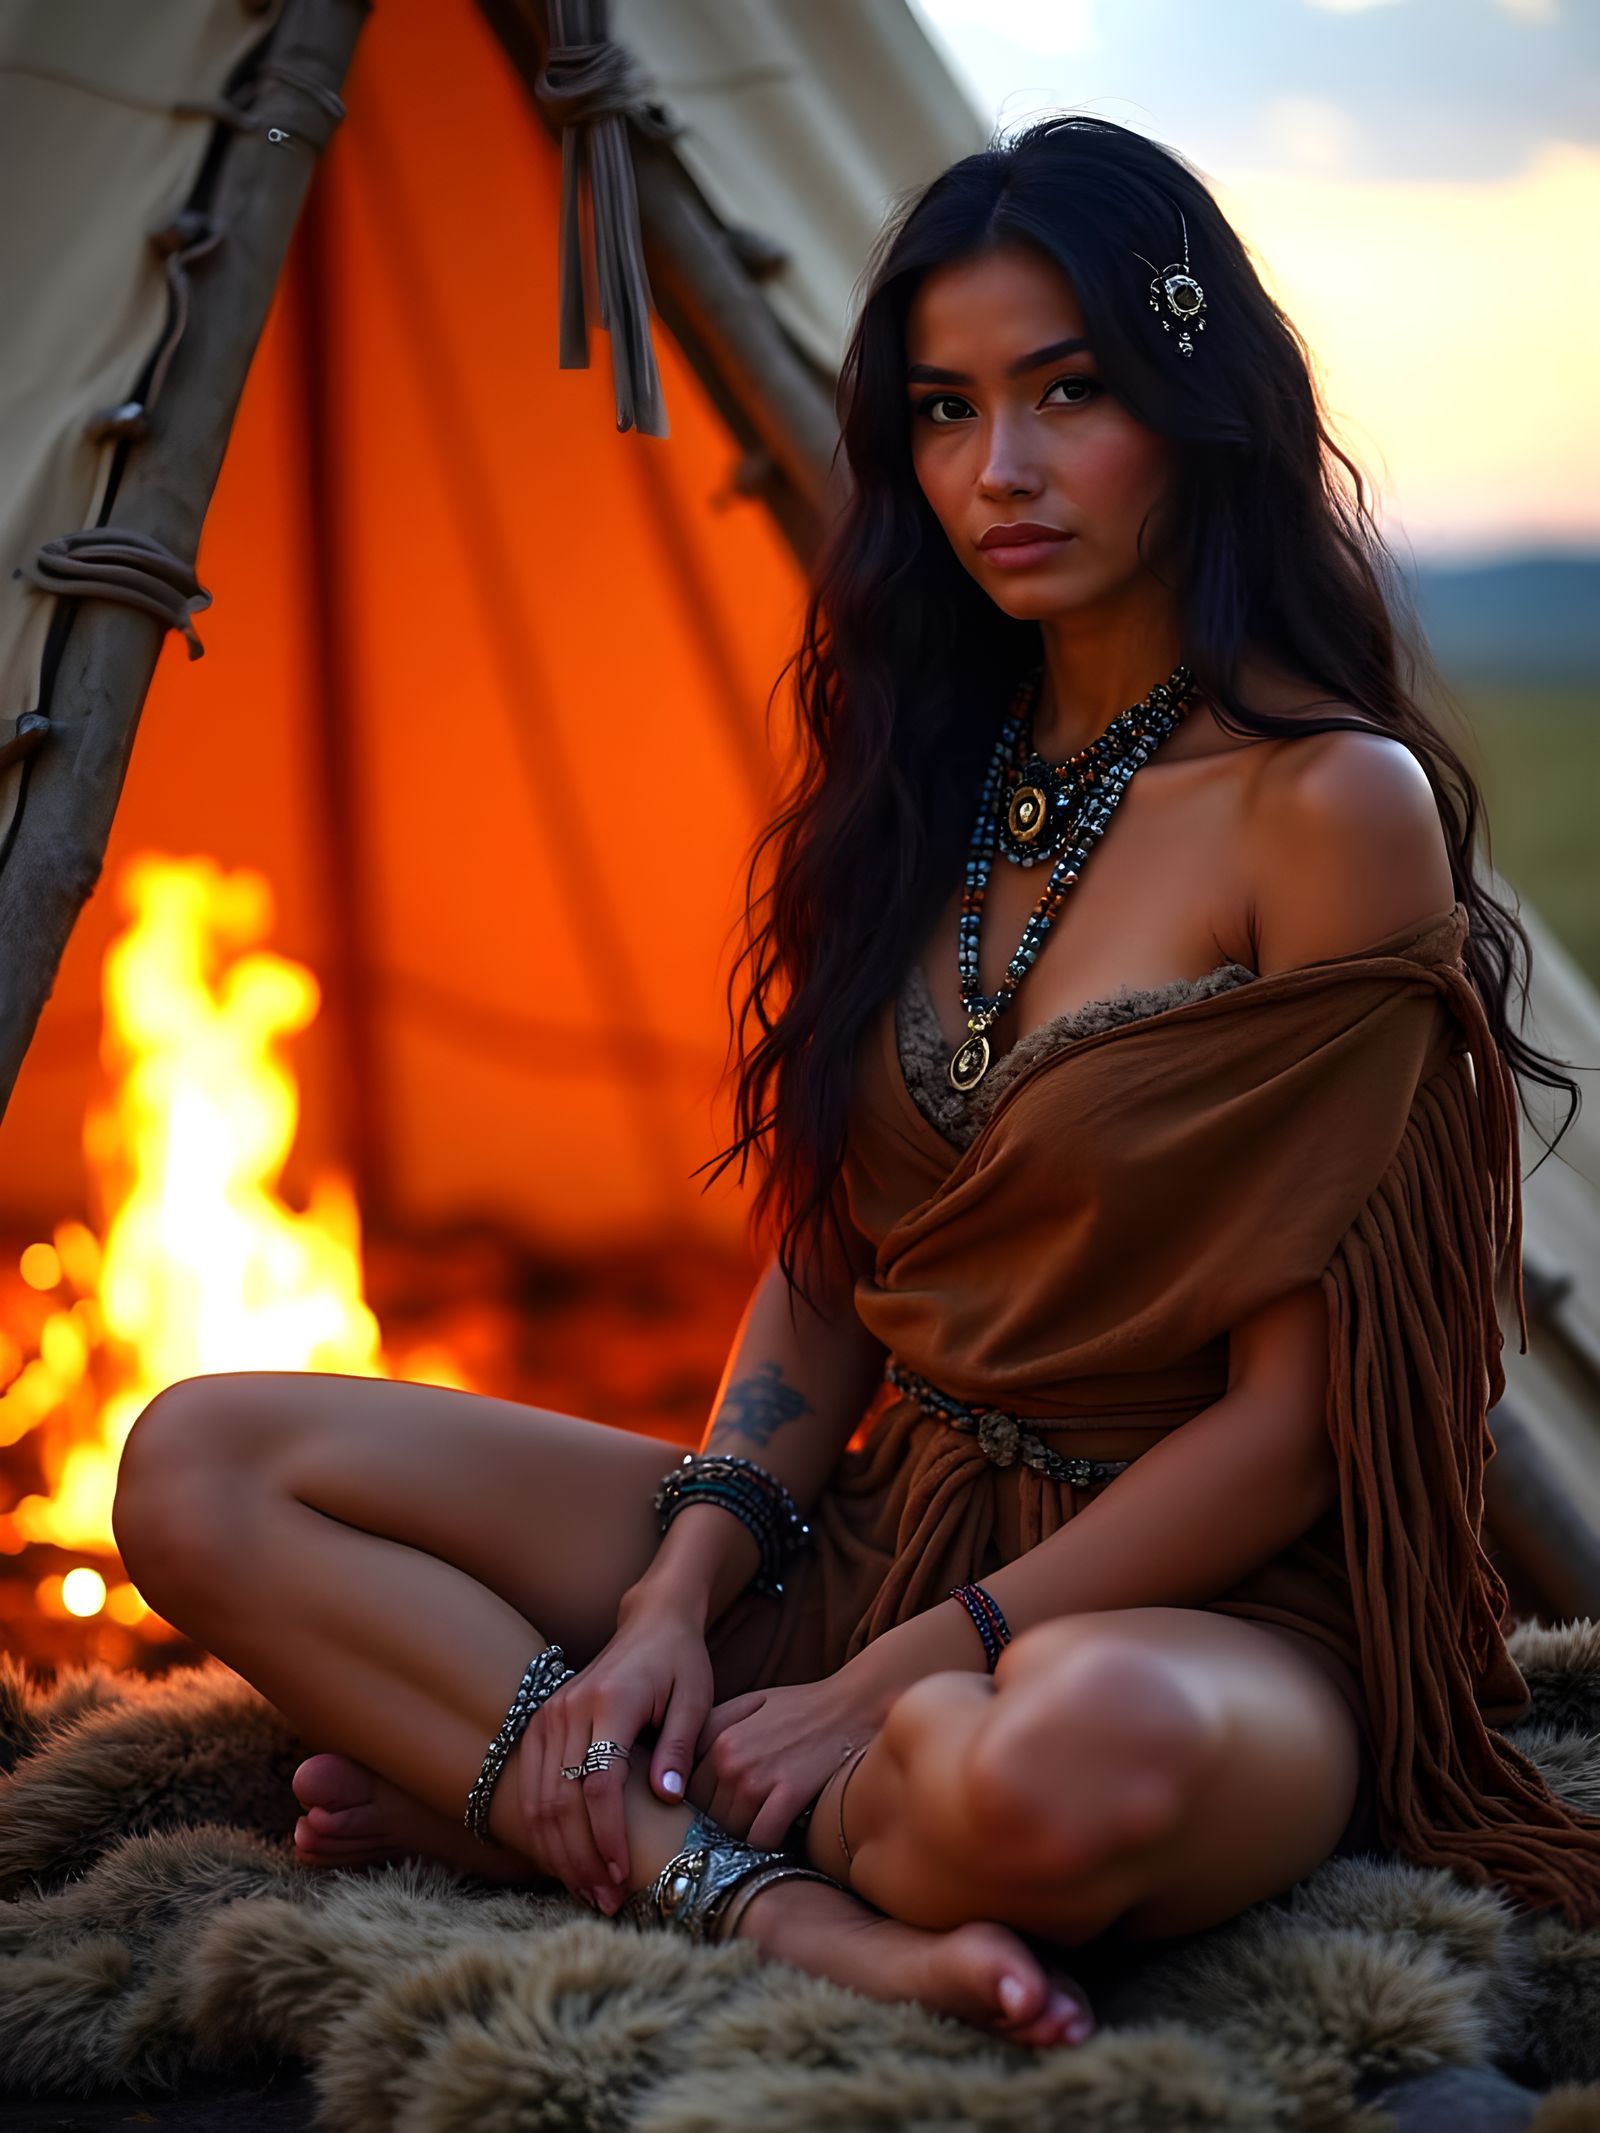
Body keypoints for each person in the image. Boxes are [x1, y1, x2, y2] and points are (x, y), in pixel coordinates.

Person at [108, 113, 1600, 2055]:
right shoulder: (916, 785)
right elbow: (826, 1274)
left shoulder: (1322, 805)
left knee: (1050, 1775)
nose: (1001, 468)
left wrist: (880, 1678)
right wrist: (671, 1600)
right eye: (944, 406)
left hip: (1199, 1604)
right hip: (876, 1527)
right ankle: (772, 1898)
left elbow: (1295, 1427)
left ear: (1193, 399)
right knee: (196, 1456)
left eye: (1068, 394)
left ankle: (561, 1813)